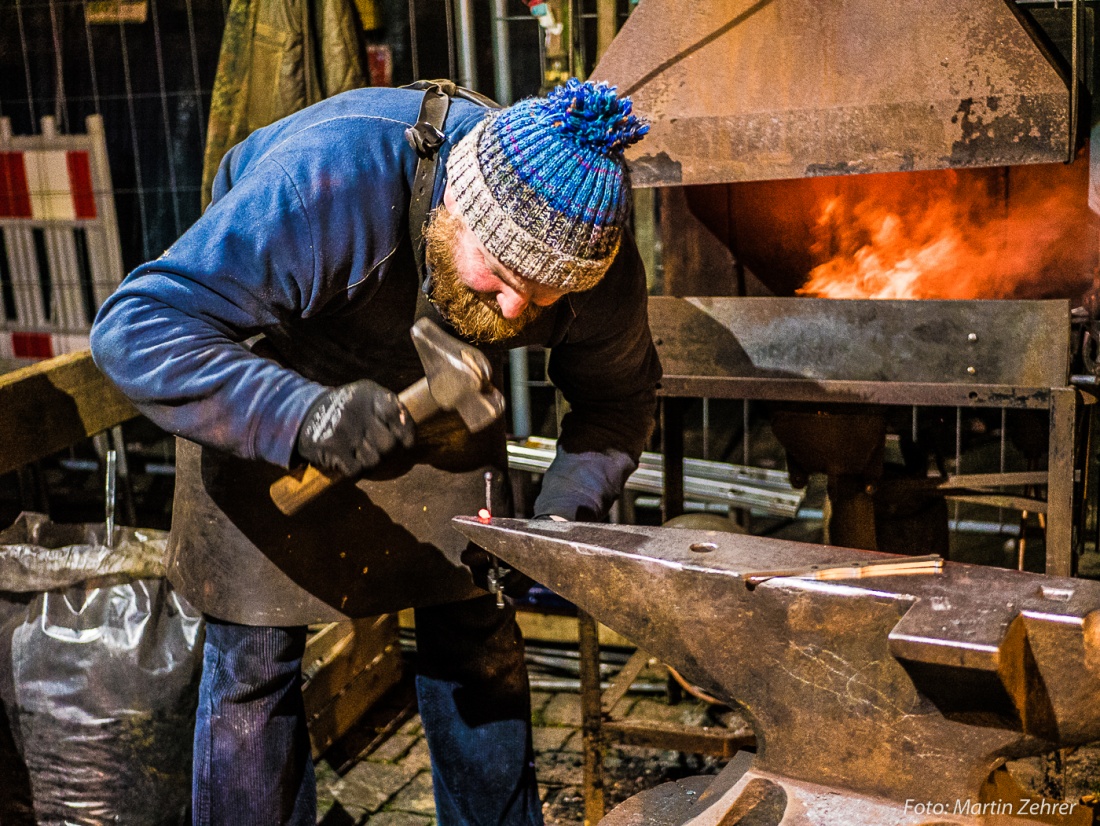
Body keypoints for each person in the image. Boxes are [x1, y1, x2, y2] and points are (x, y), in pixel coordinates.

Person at [90, 78, 661, 825]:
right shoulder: (324, 181)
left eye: (545, 296)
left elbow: (618, 399)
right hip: (265, 390)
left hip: (442, 410)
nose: (517, 311)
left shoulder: (591, 259)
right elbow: (135, 326)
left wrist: (558, 520)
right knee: (255, 671)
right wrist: (301, 414)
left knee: (479, 642)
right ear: (456, 206)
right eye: (502, 276)